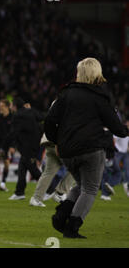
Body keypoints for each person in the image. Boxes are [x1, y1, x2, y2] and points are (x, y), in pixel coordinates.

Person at [45, 58, 129, 238]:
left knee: (82, 185)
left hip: (67, 151)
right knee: (90, 189)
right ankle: (72, 227)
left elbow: (50, 121)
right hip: (91, 150)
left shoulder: (65, 93)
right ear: (96, 73)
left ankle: (61, 217)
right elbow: (115, 126)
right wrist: (125, 130)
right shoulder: (100, 96)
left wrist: (57, 142)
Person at [4, 99, 44, 200]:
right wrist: (31, 109)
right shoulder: (31, 112)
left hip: (27, 146)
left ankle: (50, 189)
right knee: (22, 167)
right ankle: (19, 192)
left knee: (33, 169)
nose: (11, 107)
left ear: (15, 106)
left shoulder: (17, 115)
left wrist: (9, 145)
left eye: (12, 105)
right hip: (34, 144)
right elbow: (41, 117)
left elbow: (14, 132)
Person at [29, 133, 75, 207]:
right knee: (76, 167)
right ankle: (60, 193)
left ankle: (36, 198)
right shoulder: (65, 120)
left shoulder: (51, 120)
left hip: (49, 144)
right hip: (61, 144)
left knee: (48, 173)